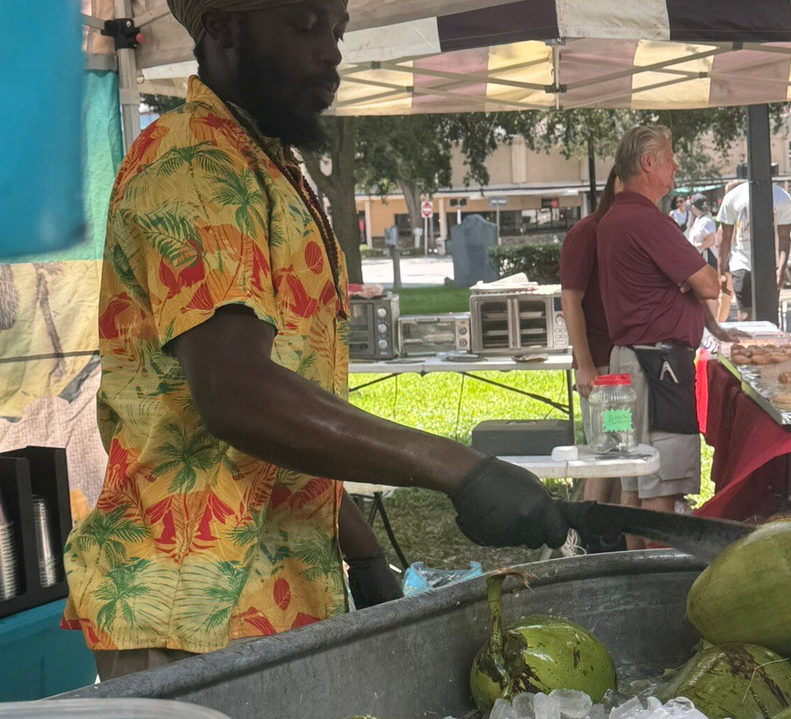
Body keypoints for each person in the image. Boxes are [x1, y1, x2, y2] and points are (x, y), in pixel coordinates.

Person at [62, 0, 569, 680]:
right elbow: (239, 395)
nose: (330, 52)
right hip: (189, 604)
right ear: (223, 26)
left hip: (272, 594)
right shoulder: (192, 164)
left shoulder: (266, 168)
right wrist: (458, 468)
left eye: (337, 30)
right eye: (304, 25)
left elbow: (291, 400)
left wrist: (358, 548)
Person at [597, 126, 737, 547]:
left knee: (632, 481)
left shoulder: (614, 219)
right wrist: (689, 281)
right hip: (659, 371)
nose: (676, 166)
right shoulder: (647, 220)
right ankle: (650, 577)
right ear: (647, 163)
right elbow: (711, 284)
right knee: (661, 484)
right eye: (670, 157)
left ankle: (631, 571)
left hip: (625, 365)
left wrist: (685, 284)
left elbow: (693, 284)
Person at [560, 168, 621, 505]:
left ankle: (606, 534)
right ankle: (589, 538)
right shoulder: (587, 233)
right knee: (607, 452)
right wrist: (585, 365)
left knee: (619, 451)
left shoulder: (628, 232)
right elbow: (570, 299)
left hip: (626, 366)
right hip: (601, 366)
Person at [717, 180, 791, 321]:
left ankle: (766, 343)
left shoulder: (781, 197)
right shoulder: (733, 197)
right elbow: (725, 238)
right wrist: (721, 272)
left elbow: (784, 237)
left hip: (771, 265)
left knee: (769, 315)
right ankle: (747, 342)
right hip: (741, 264)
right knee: (745, 313)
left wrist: (781, 269)